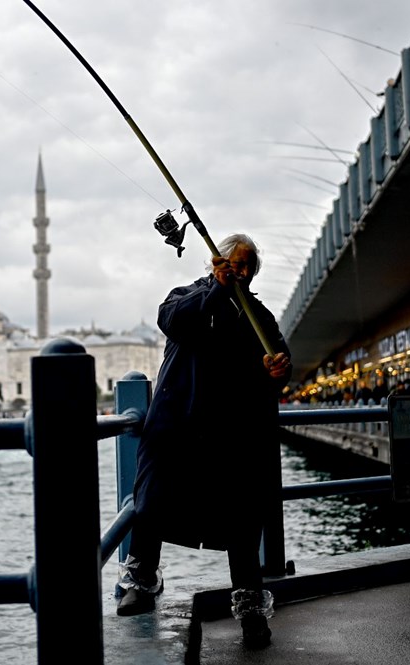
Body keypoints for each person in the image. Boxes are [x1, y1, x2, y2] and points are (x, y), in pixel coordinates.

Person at [116, 233, 292, 651]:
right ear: (219, 264)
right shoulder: (189, 296)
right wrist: (215, 289)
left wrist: (278, 372)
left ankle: (250, 610)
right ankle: (140, 581)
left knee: (242, 521)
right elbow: (173, 321)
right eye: (236, 263)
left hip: (233, 435)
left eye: (250, 267)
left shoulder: (260, 317)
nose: (243, 272)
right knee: (153, 502)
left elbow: (280, 363)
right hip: (178, 426)